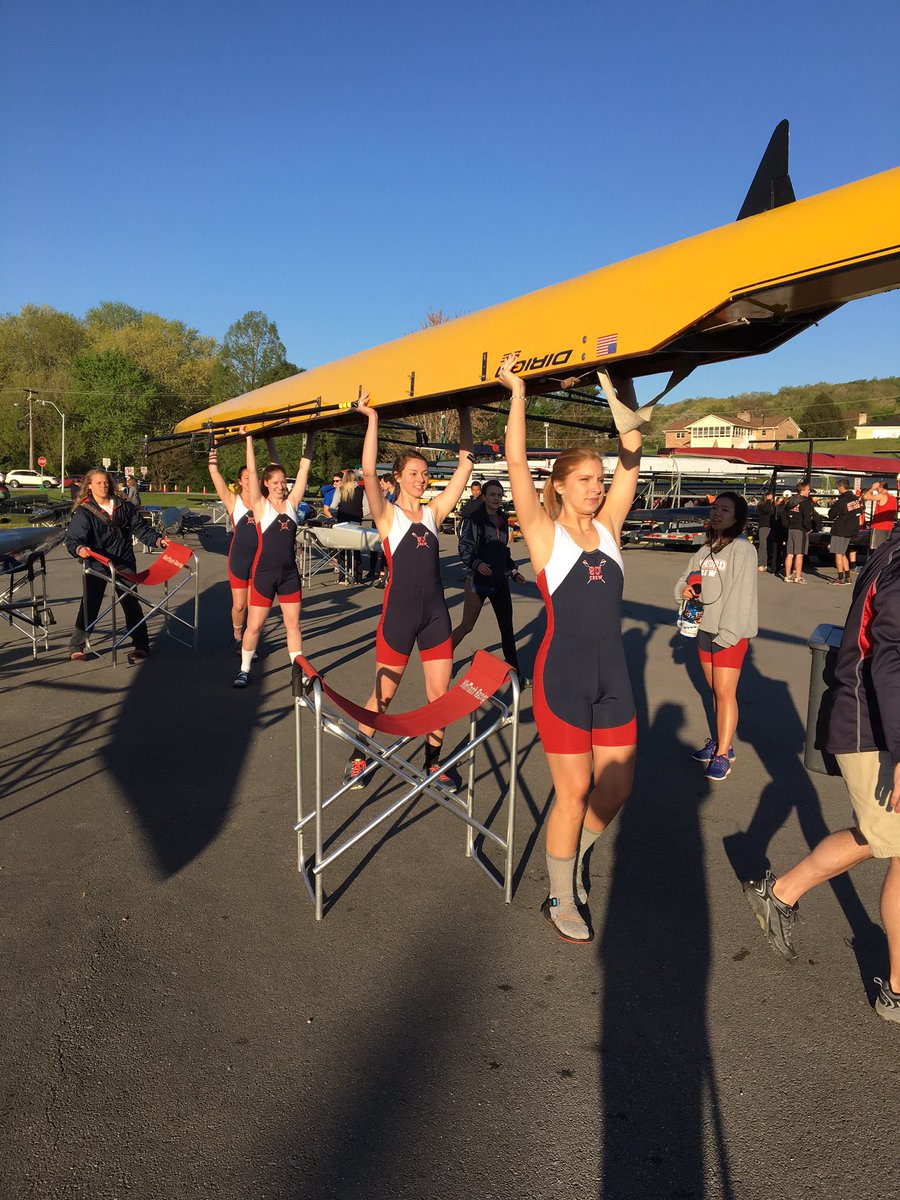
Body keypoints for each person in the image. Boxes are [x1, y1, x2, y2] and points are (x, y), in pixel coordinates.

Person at [502, 353, 644, 944]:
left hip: (614, 673)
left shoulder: (610, 527)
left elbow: (633, 448)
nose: (597, 488)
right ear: (559, 485)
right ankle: (561, 893)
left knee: (616, 787)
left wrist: (618, 388)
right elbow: (514, 462)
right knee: (574, 790)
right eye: (585, 480)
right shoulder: (544, 532)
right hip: (561, 675)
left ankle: (573, 854)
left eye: (600, 480)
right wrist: (518, 392)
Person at [742, 524, 900, 1024]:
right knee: (897, 846)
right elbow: (889, 659)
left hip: (876, 722)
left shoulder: (892, 547)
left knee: (881, 838)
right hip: (874, 726)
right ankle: (897, 989)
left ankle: (780, 892)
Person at [344, 395, 474, 788]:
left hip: (435, 615)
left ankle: (433, 762)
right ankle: (358, 756)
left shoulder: (434, 513)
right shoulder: (388, 515)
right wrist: (372, 418)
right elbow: (368, 471)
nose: (422, 478)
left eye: (424, 473)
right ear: (398, 476)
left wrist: (466, 410)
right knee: (382, 697)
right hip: (399, 616)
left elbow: (465, 466)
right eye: (414, 472)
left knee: (441, 697)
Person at [675, 493, 758, 782]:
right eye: (714, 509)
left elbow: (743, 594)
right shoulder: (706, 547)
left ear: (737, 518)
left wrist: (730, 633)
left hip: (729, 633)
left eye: (725, 510)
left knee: (725, 693)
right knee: (716, 692)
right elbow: (687, 576)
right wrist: (684, 589)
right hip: (704, 628)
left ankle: (722, 754)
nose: (716, 514)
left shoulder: (742, 549)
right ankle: (724, 742)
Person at [232, 427, 315, 689]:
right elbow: (253, 470)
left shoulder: (292, 504)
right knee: (254, 626)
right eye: (276, 482)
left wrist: (312, 436)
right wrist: (248, 439)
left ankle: (297, 671)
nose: (281, 486)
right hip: (264, 574)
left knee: (294, 625)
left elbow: (304, 469)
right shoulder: (260, 505)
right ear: (266, 484)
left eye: (283, 482)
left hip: (289, 574)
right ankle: (244, 670)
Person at [66, 468, 169, 664]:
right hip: (97, 563)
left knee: (131, 603)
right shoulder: (84, 511)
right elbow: (72, 539)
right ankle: (77, 647)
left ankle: (141, 645)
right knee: (90, 604)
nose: (103, 486)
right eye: (98, 483)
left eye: (106, 482)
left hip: (123, 561)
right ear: (89, 486)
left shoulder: (124, 506)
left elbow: (141, 529)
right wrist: (79, 549)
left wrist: (157, 541)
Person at [451, 478, 525, 677]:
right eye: (492, 494)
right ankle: (442, 660)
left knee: (507, 629)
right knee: (467, 626)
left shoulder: (502, 519)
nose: (496, 498)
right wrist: (477, 564)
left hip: (500, 582)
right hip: (477, 582)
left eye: (499, 495)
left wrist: (513, 571)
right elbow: (464, 548)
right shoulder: (473, 519)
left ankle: (516, 674)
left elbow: (503, 552)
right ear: (483, 497)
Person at [207, 440, 270, 651]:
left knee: (254, 606)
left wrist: (268, 441)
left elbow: (275, 468)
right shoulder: (233, 501)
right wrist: (213, 451)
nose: (251, 481)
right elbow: (215, 475)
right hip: (239, 560)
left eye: (254, 477)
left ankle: (249, 643)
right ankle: (236, 634)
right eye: (247, 478)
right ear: (240, 481)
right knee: (239, 605)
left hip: (259, 561)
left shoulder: (264, 501)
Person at [332, 469, 370, 585]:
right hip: (356, 522)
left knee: (342, 549)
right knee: (356, 549)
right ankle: (357, 577)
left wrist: (337, 515)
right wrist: (359, 515)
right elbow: (367, 507)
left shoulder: (340, 489)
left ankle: (342, 578)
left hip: (342, 522)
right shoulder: (360, 490)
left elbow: (333, 506)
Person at [828, 480, 864, 585]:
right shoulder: (855, 499)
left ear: (841, 487)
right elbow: (860, 511)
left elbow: (831, 514)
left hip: (840, 529)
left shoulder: (842, 500)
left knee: (838, 553)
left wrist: (834, 505)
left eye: (838, 487)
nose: (838, 489)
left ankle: (840, 577)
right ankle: (847, 576)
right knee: (843, 552)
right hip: (851, 529)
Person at [782, 481, 816, 583]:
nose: (809, 491)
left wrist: (787, 525)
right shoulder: (805, 502)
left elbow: (784, 515)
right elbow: (807, 518)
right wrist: (808, 528)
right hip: (800, 529)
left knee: (790, 553)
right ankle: (798, 576)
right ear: (803, 490)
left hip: (791, 528)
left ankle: (787, 576)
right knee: (799, 554)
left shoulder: (791, 501)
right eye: (808, 489)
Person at [862, 480, 898, 549]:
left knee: (875, 550)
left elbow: (865, 496)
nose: (876, 490)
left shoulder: (882, 496)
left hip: (879, 527)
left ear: (881, 488)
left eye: (877, 488)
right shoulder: (893, 498)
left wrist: (872, 488)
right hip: (888, 527)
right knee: (884, 550)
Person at [755, 492, 775, 572]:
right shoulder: (761, 506)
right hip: (764, 526)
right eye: (770, 497)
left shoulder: (771, 506)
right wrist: (768, 501)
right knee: (763, 545)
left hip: (770, 527)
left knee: (768, 546)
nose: (771, 499)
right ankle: (760, 563)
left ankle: (766, 563)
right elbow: (767, 510)